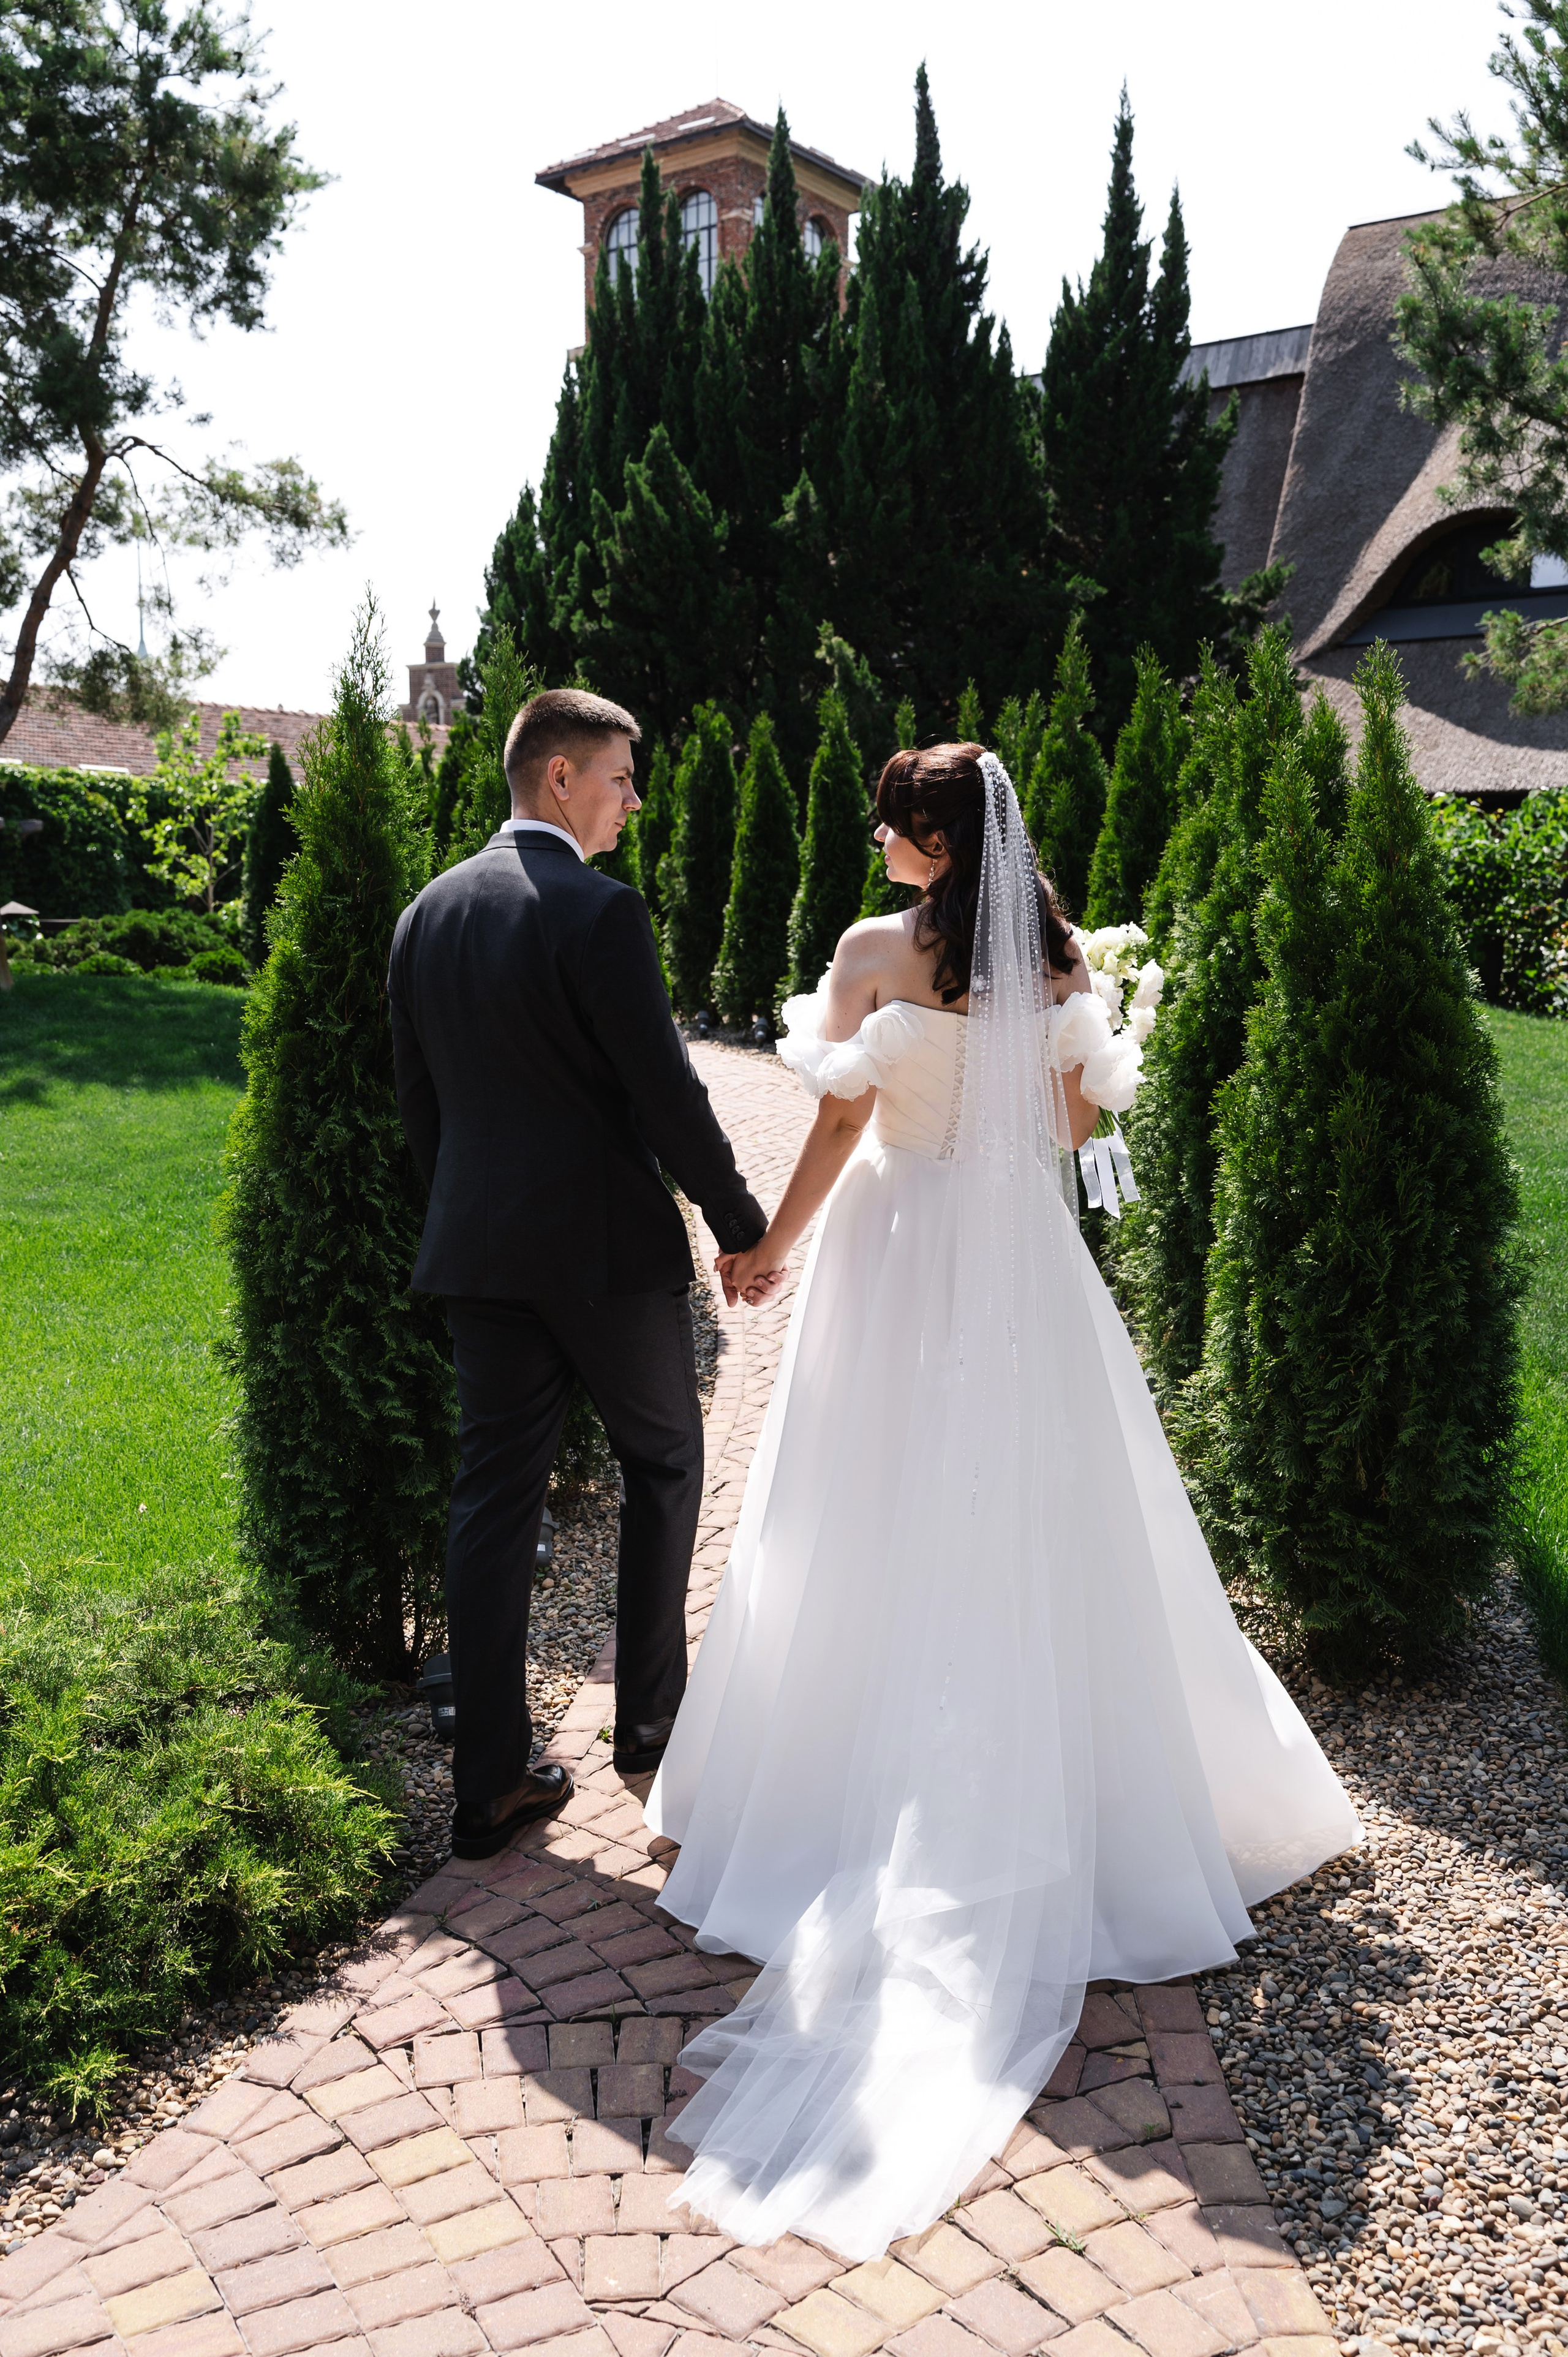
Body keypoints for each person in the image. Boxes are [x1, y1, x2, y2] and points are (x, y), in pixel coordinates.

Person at [646, 741, 1361, 2259]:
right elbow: (1072, 1135)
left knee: (858, 1512)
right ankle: (1116, 1812)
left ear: (923, 834)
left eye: (890, 822)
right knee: (1061, 1518)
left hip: (897, 1256)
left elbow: (837, 1123)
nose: (878, 841)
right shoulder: (1060, 954)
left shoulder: (865, 953)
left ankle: (820, 1795)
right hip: (1021, 1273)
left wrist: (766, 1246)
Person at [388, 688, 767, 1861]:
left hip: (480, 1256)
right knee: (663, 1463)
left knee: (491, 1501)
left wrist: (466, 1217)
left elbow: (421, 1110)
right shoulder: (599, 913)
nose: (634, 801)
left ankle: (491, 1783)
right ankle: (654, 1738)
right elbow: (666, 1092)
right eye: (620, 778)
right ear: (560, 778)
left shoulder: (425, 915)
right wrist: (740, 1218)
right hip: (606, 1258)